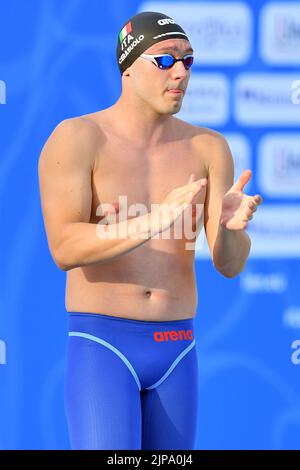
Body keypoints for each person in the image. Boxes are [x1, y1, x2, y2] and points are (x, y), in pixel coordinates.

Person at [38, 11, 263, 450]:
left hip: (176, 345)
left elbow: (229, 265)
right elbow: (64, 246)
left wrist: (229, 230)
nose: (180, 72)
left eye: (188, 60)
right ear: (128, 67)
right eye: (165, 60)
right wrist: (153, 220)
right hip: (103, 344)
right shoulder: (78, 138)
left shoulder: (208, 147)